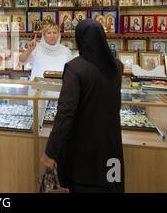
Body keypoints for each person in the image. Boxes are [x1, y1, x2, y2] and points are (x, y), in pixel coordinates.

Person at [40, 19, 125, 193]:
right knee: (111, 186)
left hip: (83, 155)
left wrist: (51, 152)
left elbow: (65, 114)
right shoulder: (117, 66)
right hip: (111, 150)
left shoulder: (75, 68)